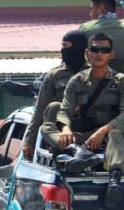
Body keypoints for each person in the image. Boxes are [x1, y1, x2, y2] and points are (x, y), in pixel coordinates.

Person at [40, 32, 124, 206]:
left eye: (104, 50)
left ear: (111, 54)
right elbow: (65, 109)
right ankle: (76, 151)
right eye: (95, 49)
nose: (99, 54)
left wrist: (103, 131)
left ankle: (114, 180)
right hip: (84, 134)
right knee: (46, 128)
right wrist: (66, 128)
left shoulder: (122, 82)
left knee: (116, 134)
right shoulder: (76, 81)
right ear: (87, 53)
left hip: (109, 132)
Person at [22, 29, 88, 160]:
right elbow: (40, 109)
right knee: (53, 106)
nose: (63, 50)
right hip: (59, 129)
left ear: (79, 47)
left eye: (66, 46)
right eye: (62, 46)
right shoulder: (54, 74)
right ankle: (66, 148)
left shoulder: (95, 71)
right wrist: (29, 141)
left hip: (87, 127)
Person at [79, 0, 124, 73]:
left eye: (92, 9)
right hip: (122, 82)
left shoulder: (85, 29)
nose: (90, 14)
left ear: (101, 8)